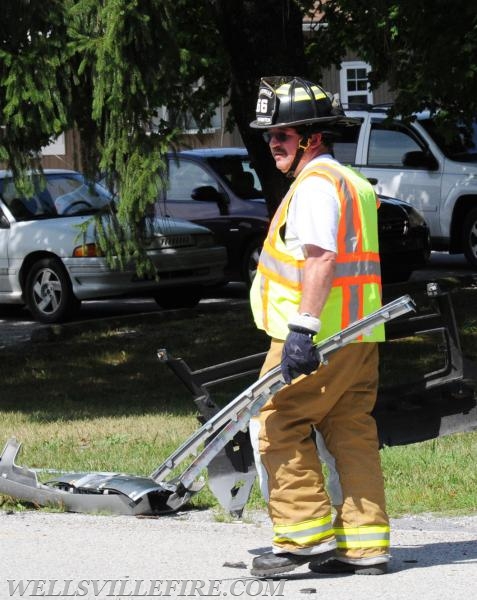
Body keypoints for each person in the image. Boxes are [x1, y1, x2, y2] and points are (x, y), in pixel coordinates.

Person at [248, 76, 389, 578]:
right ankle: (366, 544)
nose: (273, 144)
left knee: (277, 422)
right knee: (351, 431)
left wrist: (302, 330)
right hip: (360, 335)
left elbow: (321, 257)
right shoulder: (353, 183)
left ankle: (304, 537)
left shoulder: (313, 187)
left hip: (319, 338)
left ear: (312, 136)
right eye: (270, 136)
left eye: (282, 134)